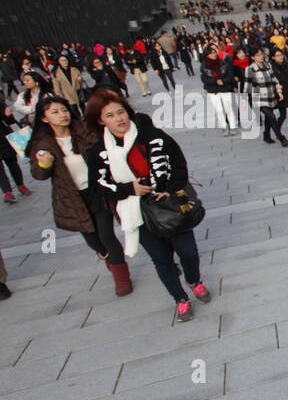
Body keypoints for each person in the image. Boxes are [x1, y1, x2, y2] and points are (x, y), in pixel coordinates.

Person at [82, 89, 211, 323]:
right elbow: (98, 186)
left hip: (169, 205)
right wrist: (128, 189)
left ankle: (194, 280)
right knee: (161, 259)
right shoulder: (98, 152)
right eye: (110, 115)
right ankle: (179, 299)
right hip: (136, 213)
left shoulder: (152, 135)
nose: (119, 118)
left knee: (189, 253)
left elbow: (179, 164)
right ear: (101, 120)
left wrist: (169, 188)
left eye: (121, 112)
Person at [28, 95, 132, 295]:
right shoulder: (42, 145)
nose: (62, 115)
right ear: (44, 118)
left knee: (106, 235)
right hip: (72, 199)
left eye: (64, 110)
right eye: (55, 112)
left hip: (98, 191)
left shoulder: (85, 132)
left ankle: (121, 278)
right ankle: (109, 260)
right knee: (94, 241)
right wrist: (44, 163)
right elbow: (39, 175)